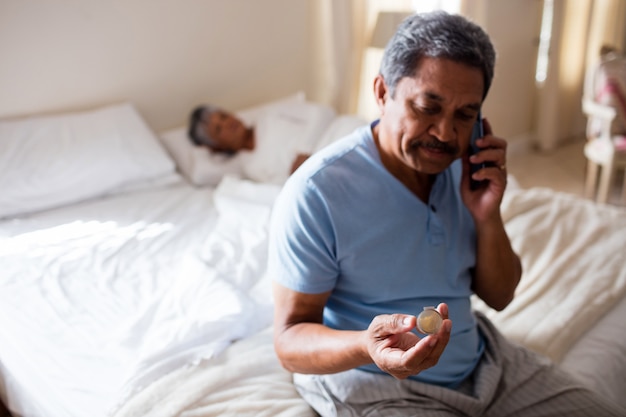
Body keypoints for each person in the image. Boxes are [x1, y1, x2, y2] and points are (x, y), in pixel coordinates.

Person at [268, 11, 625, 417]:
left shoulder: (467, 168)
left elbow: (500, 296)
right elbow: (289, 341)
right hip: (378, 384)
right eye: (427, 107)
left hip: (486, 365)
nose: (444, 134)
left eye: (464, 115)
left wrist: (487, 214)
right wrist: (368, 346)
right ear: (382, 92)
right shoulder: (317, 193)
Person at [188, 105, 310, 176]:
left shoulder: (269, 116)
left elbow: (323, 113)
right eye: (218, 129)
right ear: (217, 146)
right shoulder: (249, 167)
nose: (227, 123)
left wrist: (305, 150)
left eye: (224, 116)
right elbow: (200, 175)